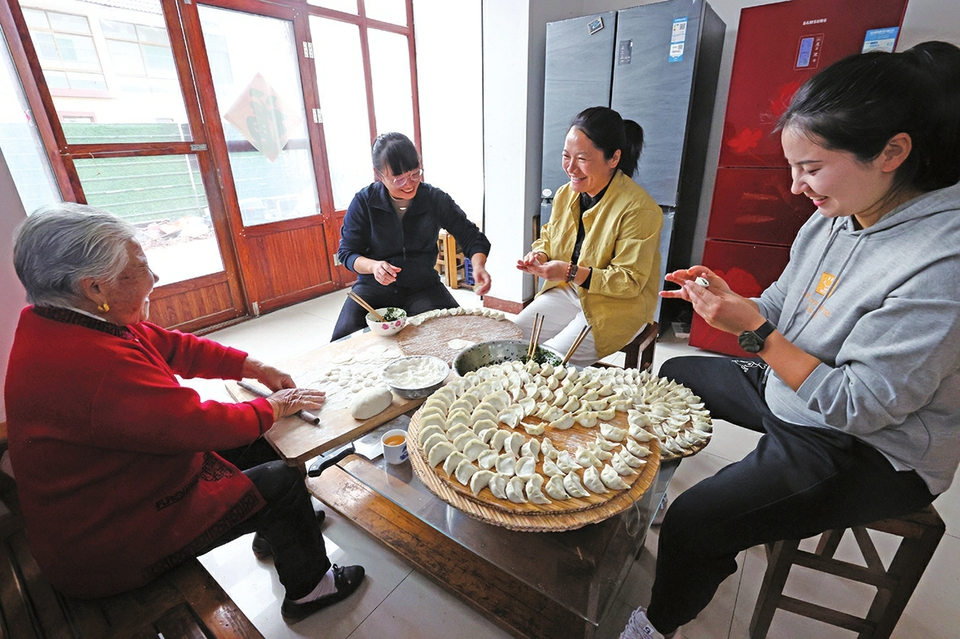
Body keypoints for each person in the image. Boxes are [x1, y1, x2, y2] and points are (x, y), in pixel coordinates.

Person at [619, 41, 960, 639]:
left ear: (893, 151)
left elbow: (861, 405)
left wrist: (754, 332)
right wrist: (737, 304)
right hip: (795, 388)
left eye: (811, 167)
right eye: (793, 167)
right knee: (673, 376)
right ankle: (653, 498)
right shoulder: (838, 212)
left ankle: (655, 627)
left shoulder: (941, 259)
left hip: (865, 444)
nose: (798, 186)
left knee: (700, 523)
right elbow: (781, 304)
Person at [4, 203, 364, 624]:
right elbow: (196, 424)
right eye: (139, 267)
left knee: (262, 441)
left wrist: (253, 367)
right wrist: (273, 406)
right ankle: (311, 590)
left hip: (124, 488)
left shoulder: (69, 319)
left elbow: (172, 346)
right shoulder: (89, 365)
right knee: (281, 480)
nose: (154, 278)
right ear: (95, 288)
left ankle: (275, 530)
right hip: (110, 542)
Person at [515, 106, 662, 367]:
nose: (571, 168)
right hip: (569, 290)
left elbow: (629, 282)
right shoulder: (565, 194)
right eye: (565, 156)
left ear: (613, 159)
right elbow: (550, 235)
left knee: (547, 363)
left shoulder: (639, 209)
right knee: (511, 337)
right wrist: (540, 254)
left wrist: (571, 272)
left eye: (582, 159)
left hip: (617, 305)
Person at [332, 132, 492, 340]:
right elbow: (347, 253)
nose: (409, 184)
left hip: (423, 287)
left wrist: (478, 266)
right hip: (374, 289)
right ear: (379, 175)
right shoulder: (364, 202)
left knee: (460, 338)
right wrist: (373, 266)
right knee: (341, 343)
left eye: (415, 174)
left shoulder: (434, 198)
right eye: (398, 179)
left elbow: (472, 237)